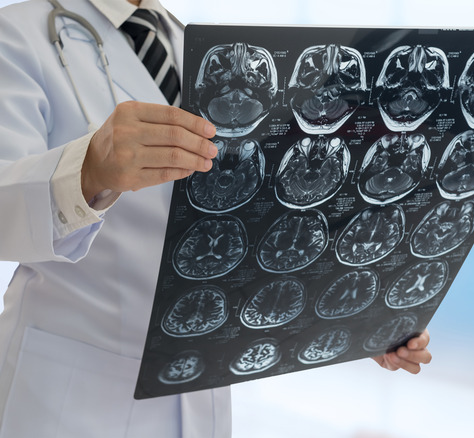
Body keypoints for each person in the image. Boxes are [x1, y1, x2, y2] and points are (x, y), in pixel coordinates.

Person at [0, 0, 432, 436]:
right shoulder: (16, 34)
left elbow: (262, 220)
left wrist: (356, 320)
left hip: (200, 388)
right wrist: (88, 169)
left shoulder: (199, 47)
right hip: (69, 395)